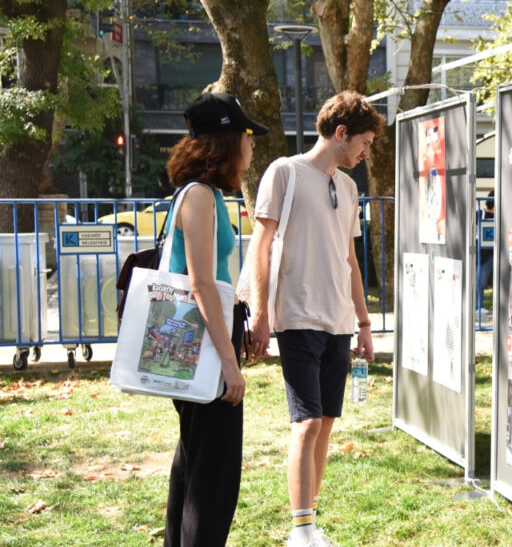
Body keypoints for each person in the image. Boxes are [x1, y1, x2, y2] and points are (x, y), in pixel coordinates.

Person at [248, 90, 385, 547]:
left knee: (325, 422)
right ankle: (301, 530)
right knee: (306, 422)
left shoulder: (347, 189)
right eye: (364, 142)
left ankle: (309, 523)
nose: (366, 153)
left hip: (339, 322)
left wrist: (364, 324)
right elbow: (261, 247)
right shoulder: (284, 172)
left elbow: (348, 259)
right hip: (298, 318)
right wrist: (261, 313)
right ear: (341, 133)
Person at [162, 92, 268, 547]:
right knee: (213, 480)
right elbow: (201, 284)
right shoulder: (201, 197)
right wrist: (229, 364)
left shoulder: (200, 195)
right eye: (247, 134)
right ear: (225, 140)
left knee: (193, 467)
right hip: (204, 351)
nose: (252, 145)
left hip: (198, 347)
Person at [476, 190, 494, 315]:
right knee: (480, 280)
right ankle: (478, 306)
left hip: (490, 252)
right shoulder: (480, 214)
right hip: (483, 252)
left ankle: (480, 306)